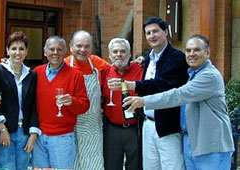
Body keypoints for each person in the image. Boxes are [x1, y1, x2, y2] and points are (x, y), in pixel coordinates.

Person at [123, 34, 234, 170]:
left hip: (211, 145)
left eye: (197, 50)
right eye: (188, 50)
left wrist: (144, 101)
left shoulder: (209, 76)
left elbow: (179, 95)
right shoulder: (192, 74)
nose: (192, 54)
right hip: (191, 141)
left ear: (208, 53)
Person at [124, 17, 189, 170]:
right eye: (148, 33)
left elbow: (162, 84)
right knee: (150, 167)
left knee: (172, 166)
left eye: (155, 31)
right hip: (147, 124)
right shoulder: (148, 58)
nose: (151, 36)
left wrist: (134, 85)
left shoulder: (177, 58)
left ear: (165, 32)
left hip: (167, 125)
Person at [32, 36, 90, 169]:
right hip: (38, 136)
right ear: (45, 51)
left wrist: (72, 101)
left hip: (62, 138)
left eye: (59, 49)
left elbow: (85, 105)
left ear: (65, 52)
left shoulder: (75, 75)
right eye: (51, 49)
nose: (55, 53)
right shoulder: (36, 73)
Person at [0, 31, 40, 170]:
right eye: (14, 48)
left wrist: (33, 134)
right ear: (7, 50)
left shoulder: (31, 74)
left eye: (21, 48)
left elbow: (33, 106)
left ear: (26, 51)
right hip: (5, 131)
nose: (18, 52)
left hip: (24, 132)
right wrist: (2, 128)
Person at [64, 30, 110, 170]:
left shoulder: (97, 63)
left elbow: (117, 69)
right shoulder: (64, 64)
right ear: (71, 46)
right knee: (72, 161)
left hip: (92, 124)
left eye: (87, 46)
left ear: (91, 48)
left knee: (93, 161)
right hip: (71, 123)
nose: (82, 50)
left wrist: (138, 63)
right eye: (78, 46)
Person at [101, 38, 143, 170]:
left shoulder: (141, 69)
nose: (119, 54)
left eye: (123, 51)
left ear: (130, 54)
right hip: (112, 129)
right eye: (115, 51)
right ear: (109, 55)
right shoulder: (104, 72)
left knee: (135, 166)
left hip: (135, 129)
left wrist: (143, 59)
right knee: (111, 166)